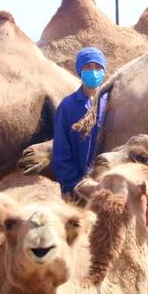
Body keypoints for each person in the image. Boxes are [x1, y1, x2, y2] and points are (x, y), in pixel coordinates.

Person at [52, 47, 108, 196]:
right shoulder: (68, 106)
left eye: (98, 67)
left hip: (108, 188)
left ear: (104, 71)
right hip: (77, 189)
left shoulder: (111, 102)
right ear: (80, 71)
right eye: (88, 67)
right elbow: (61, 150)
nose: (93, 71)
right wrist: (73, 185)